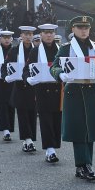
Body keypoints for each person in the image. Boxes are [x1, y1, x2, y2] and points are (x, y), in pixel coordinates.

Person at [51, 16, 95, 179]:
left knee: (91, 129)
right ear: (73, 29)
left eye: (86, 28)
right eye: (80, 27)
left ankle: (85, 164)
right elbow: (54, 67)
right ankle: (84, 164)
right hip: (74, 91)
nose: (83, 31)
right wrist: (61, 74)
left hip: (92, 90)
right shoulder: (66, 48)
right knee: (78, 129)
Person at [26, 24, 63, 162]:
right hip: (42, 90)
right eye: (46, 33)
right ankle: (50, 150)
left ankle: (54, 146)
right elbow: (26, 69)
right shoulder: (35, 51)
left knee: (57, 120)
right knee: (46, 120)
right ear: (41, 35)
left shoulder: (61, 50)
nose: (49, 35)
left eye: (51, 32)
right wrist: (28, 78)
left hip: (58, 89)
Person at [8, 26, 38, 152]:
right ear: (21, 35)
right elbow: (7, 65)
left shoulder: (37, 50)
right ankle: (28, 139)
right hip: (20, 86)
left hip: (33, 86)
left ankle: (29, 139)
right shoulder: (14, 50)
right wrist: (6, 76)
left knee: (32, 114)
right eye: (26, 34)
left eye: (30, 34)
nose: (28, 37)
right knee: (22, 114)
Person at [0, 31, 16, 141]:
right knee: (2, 107)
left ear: (11, 39)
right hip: (0, 83)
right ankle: (6, 130)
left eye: (8, 37)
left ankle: (10, 128)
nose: (6, 40)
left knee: (11, 107)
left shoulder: (15, 51)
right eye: (4, 37)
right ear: (0, 39)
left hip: (12, 83)